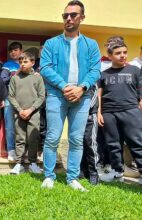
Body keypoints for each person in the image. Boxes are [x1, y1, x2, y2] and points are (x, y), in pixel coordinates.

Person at [40, 0, 101, 191]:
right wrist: (65, 86)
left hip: (82, 98)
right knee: (52, 137)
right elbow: (45, 67)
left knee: (76, 139)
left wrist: (81, 88)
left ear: (81, 17)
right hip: (57, 96)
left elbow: (95, 70)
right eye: (65, 15)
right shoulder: (51, 43)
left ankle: (72, 177)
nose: (68, 18)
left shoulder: (91, 45)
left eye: (73, 15)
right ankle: (49, 176)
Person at [97, 40, 142, 185]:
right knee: (113, 144)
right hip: (109, 113)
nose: (122, 55)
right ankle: (117, 172)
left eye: (124, 52)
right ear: (109, 56)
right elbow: (99, 95)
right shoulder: (103, 74)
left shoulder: (135, 70)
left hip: (131, 111)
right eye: (118, 53)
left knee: (137, 142)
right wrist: (99, 112)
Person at [9, 52, 45, 175]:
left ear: (33, 63)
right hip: (18, 113)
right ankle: (18, 164)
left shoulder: (38, 78)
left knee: (33, 138)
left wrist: (30, 110)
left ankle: (33, 163)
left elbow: (41, 96)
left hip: (34, 113)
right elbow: (11, 96)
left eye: (25, 62)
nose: (23, 64)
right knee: (19, 138)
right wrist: (20, 110)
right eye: (20, 62)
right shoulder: (15, 78)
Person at [1, 42, 22, 161]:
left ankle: (22, 151)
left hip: (25, 100)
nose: (13, 52)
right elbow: (3, 79)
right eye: (11, 51)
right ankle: (11, 150)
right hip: (10, 97)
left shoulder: (27, 64)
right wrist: (16, 73)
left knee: (23, 126)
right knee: (10, 125)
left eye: (15, 50)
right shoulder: (8, 65)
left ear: (21, 51)